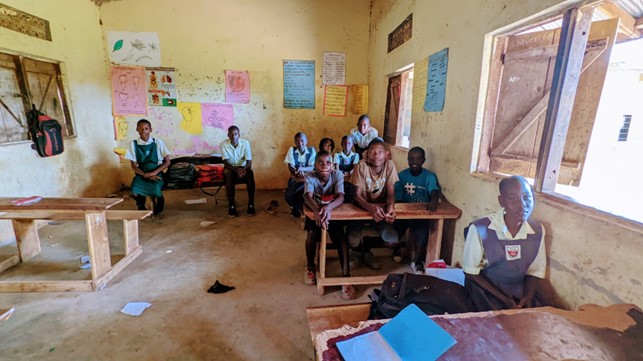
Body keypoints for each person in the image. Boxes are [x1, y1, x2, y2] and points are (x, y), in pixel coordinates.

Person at [462, 175, 552, 311]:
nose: (522, 205)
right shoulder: (480, 229)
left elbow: (534, 271)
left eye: (526, 197)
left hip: (519, 292)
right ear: (501, 201)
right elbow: (471, 272)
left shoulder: (537, 230)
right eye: (513, 199)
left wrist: (527, 297)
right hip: (486, 290)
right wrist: (505, 299)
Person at [303, 151, 355, 300]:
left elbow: (341, 197)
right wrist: (318, 211)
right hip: (315, 212)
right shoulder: (310, 176)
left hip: (333, 212)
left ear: (332, 165)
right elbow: (308, 197)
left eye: (328, 162)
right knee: (312, 234)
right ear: (315, 165)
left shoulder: (337, 174)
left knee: (341, 239)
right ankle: (310, 266)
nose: (324, 165)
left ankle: (346, 277)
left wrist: (327, 209)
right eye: (320, 162)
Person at [348, 138, 399, 269]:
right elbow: (356, 196)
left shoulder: (390, 166)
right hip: (361, 208)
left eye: (380, 152)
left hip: (379, 209)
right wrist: (371, 208)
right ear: (366, 154)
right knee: (351, 241)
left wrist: (390, 207)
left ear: (386, 154)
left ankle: (365, 249)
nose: (376, 155)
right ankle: (359, 251)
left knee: (392, 241)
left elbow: (391, 193)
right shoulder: (361, 166)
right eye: (372, 152)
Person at [394, 146, 441, 274]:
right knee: (394, 232)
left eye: (418, 159)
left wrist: (433, 200)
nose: (414, 162)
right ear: (407, 159)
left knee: (422, 234)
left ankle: (417, 262)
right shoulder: (401, 176)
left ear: (423, 160)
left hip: (420, 215)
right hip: (404, 214)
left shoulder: (429, 176)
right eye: (411, 158)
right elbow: (397, 198)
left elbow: (435, 191)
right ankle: (396, 249)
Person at [125, 119, 171, 216]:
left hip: (157, 172)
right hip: (141, 173)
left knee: (156, 190)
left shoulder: (158, 142)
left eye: (146, 128)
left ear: (150, 130)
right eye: (141, 129)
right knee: (134, 189)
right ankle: (141, 206)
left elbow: (167, 162)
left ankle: (159, 206)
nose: (143, 131)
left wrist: (153, 173)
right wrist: (145, 174)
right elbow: (133, 166)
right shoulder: (133, 144)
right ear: (137, 129)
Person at [220, 125, 255, 217]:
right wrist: (237, 170)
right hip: (231, 168)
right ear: (228, 135)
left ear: (239, 135)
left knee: (250, 174)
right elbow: (226, 163)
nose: (233, 136)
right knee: (229, 175)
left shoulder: (245, 143)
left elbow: (249, 162)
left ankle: (251, 204)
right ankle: (232, 206)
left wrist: (243, 170)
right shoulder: (223, 145)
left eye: (235, 134)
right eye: (231, 134)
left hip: (243, 168)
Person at [284, 132, 316, 217]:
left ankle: (302, 209)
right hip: (296, 178)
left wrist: (301, 169)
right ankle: (300, 208)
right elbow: (290, 166)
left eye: (302, 140)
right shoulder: (292, 150)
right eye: (297, 141)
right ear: (295, 142)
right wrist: (296, 171)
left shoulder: (311, 150)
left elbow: (312, 167)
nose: (300, 143)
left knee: (308, 194)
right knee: (289, 196)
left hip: (308, 179)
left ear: (306, 142)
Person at [334, 135, 360, 203]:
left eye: (349, 143)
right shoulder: (337, 155)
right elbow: (337, 168)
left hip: (350, 177)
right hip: (340, 176)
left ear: (352, 145)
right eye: (344, 143)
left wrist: (351, 172)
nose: (347, 145)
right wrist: (341, 173)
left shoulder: (355, 155)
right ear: (341, 144)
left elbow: (355, 168)